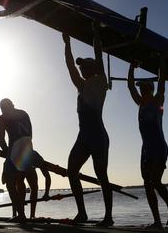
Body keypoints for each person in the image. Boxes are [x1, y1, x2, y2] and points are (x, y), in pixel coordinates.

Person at [62, 21, 113, 227]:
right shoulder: (80, 86)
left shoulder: (101, 81)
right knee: (71, 171)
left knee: (102, 176)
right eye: (81, 66)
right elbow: (69, 65)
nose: (81, 68)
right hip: (84, 136)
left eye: (84, 66)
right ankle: (82, 213)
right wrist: (67, 43)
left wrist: (96, 34)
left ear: (92, 68)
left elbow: (99, 56)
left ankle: (108, 217)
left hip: (98, 136)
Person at [126, 57, 168, 228]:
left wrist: (162, 62)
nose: (142, 91)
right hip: (146, 149)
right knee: (147, 185)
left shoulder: (157, 101)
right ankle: (157, 221)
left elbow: (162, 81)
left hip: (159, 147)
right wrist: (131, 67)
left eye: (145, 88)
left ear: (150, 89)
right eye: (142, 89)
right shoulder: (139, 103)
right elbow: (130, 86)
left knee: (155, 180)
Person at [0, 98, 48, 223]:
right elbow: (29, 136)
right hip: (28, 151)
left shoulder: (2, 118)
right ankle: (29, 215)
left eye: (3, 109)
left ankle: (21, 215)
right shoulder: (24, 114)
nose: (4, 111)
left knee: (10, 183)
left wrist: (7, 152)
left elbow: (1, 140)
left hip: (15, 152)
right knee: (30, 184)